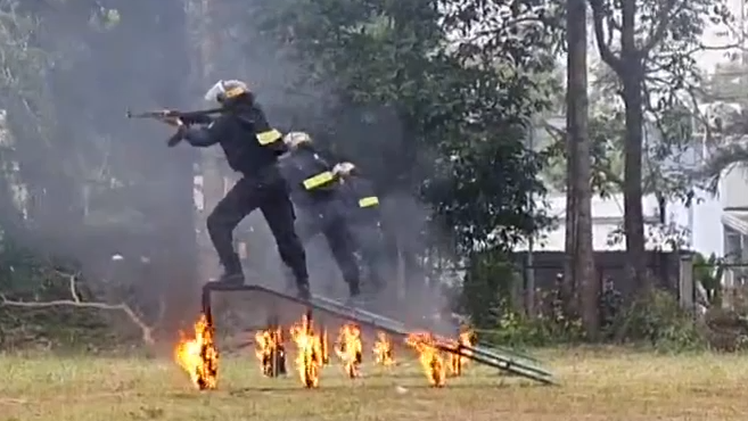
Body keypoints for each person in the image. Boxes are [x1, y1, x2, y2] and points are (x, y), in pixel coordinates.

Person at [165, 79, 310, 299]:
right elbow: (220, 121)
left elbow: (204, 138)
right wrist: (188, 116)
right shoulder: (255, 115)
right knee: (286, 237)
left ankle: (233, 272)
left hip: (255, 182)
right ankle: (303, 283)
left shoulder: (227, 122)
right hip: (276, 181)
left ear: (227, 99)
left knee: (217, 223)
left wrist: (182, 128)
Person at [278, 131, 363, 302]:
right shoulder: (320, 161)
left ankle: (295, 285)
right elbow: (330, 185)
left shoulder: (290, 163)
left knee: (292, 246)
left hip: (314, 213)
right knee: (342, 251)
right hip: (333, 212)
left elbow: (297, 186)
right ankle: (355, 291)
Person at [332, 161, 389, 296]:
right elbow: (375, 208)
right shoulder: (367, 185)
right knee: (372, 263)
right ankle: (376, 286)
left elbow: (341, 212)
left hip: (354, 231)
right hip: (373, 231)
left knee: (350, 262)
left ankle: (355, 292)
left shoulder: (342, 189)